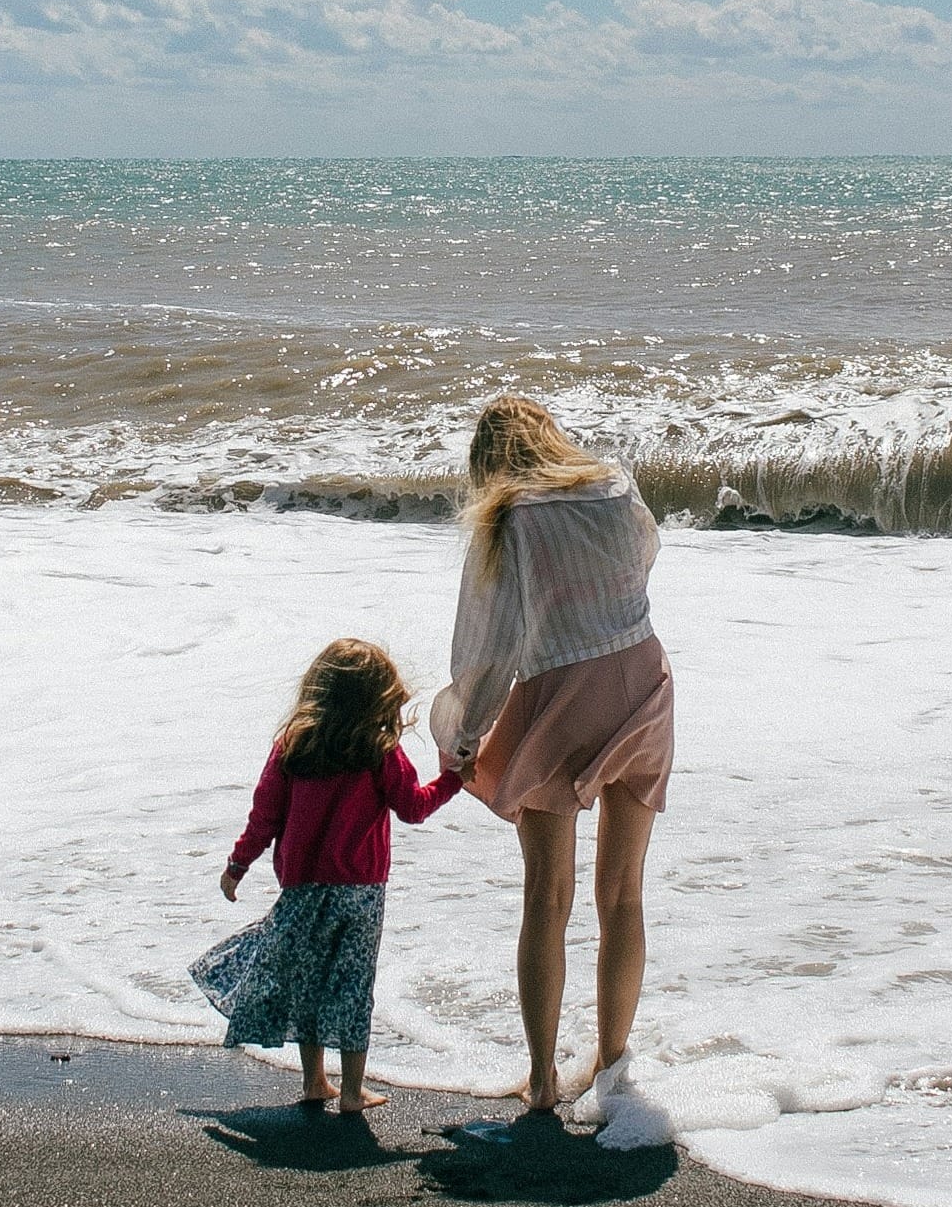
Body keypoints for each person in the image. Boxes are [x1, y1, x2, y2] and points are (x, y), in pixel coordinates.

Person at [430, 395, 674, 1113]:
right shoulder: (616, 483)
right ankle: (611, 1063)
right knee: (623, 892)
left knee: (548, 894)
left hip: (562, 695)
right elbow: (644, 558)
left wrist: (463, 739)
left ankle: (541, 1080)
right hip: (643, 680)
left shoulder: (508, 518)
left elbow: (487, 651)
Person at [191, 638, 467, 1114]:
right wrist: (454, 779)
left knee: (310, 983)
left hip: (303, 890)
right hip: (361, 893)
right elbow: (413, 808)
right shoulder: (380, 750)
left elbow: (264, 816)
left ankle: (315, 1081)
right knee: (353, 987)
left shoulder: (293, 745)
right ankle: (353, 1091)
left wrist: (237, 865)